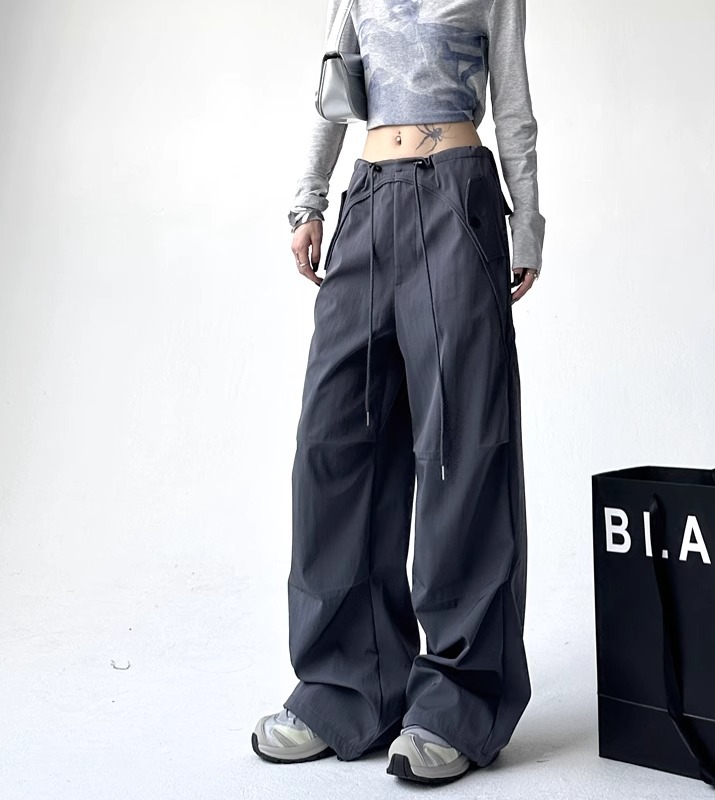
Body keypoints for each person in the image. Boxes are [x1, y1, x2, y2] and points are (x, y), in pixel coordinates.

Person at [252, 0, 546, 786]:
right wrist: (309, 199)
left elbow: (513, 100)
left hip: (457, 193)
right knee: (335, 440)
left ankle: (457, 703)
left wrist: (527, 222)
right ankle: (345, 688)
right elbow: (330, 90)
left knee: (461, 445)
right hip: (369, 197)